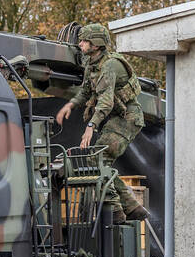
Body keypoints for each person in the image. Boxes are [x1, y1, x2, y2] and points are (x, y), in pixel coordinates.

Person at [55, 23, 148, 223]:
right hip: (118, 118)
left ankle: (115, 212)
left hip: (128, 119)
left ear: (96, 44)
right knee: (100, 162)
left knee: (97, 160)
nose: (79, 44)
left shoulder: (109, 66)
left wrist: (91, 127)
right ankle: (132, 208)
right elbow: (86, 91)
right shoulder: (92, 64)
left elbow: (105, 102)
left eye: (84, 40)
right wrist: (70, 105)